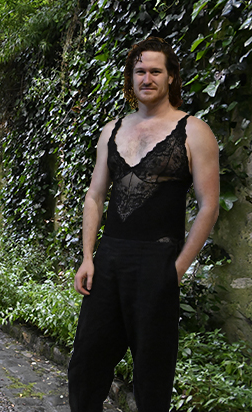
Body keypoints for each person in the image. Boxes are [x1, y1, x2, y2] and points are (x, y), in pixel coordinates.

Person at [67, 37, 219, 411]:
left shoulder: (194, 131)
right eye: (139, 71)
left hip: (158, 262)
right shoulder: (112, 130)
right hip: (108, 261)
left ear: (171, 77)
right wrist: (87, 257)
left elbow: (209, 206)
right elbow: (94, 196)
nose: (146, 78)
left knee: (152, 379)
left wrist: (177, 269)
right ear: (131, 78)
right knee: (85, 368)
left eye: (155, 71)